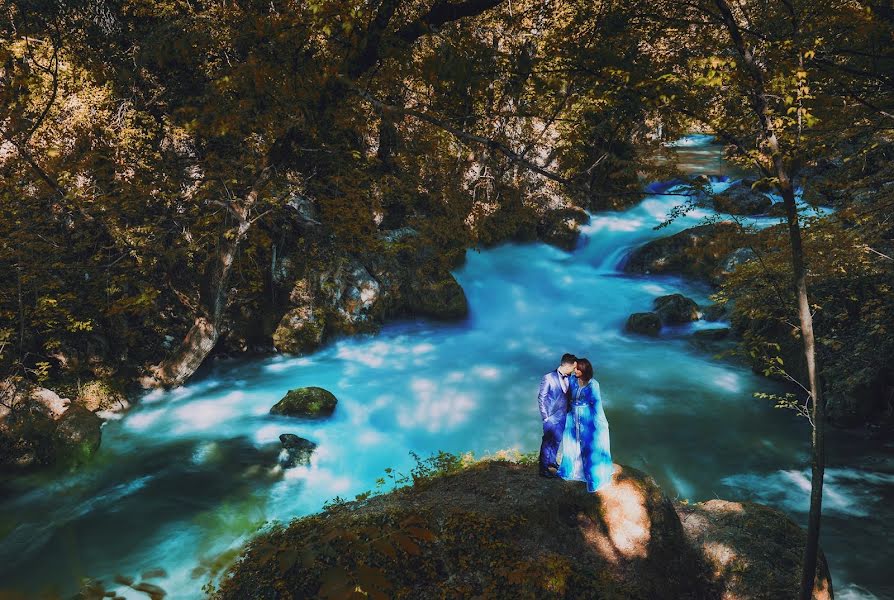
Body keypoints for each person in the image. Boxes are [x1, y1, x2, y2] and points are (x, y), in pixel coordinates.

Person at [557, 357, 613, 492]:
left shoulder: (594, 385)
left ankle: (588, 473)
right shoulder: (572, 380)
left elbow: (597, 404)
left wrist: (601, 422)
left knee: (588, 444)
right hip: (572, 417)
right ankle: (572, 471)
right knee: (572, 442)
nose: (574, 370)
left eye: (577, 369)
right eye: (574, 368)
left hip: (586, 418)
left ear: (584, 370)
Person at [538, 353, 577, 478]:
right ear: (568, 365)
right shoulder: (548, 377)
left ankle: (552, 462)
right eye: (573, 367)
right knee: (547, 442)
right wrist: (545, 417)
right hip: (550, 417)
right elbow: (541, 398)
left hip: (563, 415)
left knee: (557, 440)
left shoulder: (570, 378)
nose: (574, 370)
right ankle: (543, 469)